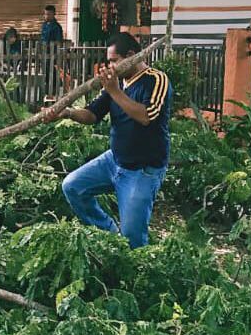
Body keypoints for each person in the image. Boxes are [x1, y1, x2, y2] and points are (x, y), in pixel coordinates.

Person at [38, 33, 170, 248]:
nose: (110, 67)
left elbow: (146, 116)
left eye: (113, 60)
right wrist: (67, 113)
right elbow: (92, 114)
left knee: (133, 242)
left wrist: (114, 90)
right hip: (114, 161)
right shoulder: (117, 85)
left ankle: (131, 266)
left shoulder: (155, 79)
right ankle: (109, 233)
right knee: (73, 186)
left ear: (131, 56)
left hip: (142, 170)